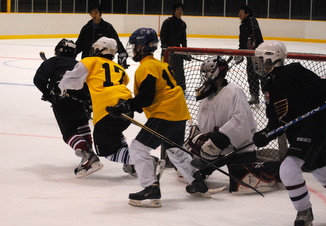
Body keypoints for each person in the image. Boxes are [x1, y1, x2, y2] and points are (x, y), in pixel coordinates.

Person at [252, 41, 326, 226]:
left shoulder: (293, 72)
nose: (257, 64)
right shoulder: (269, 84)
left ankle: (304, 212)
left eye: (260, 59)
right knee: (320, 168)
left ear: (272, 58)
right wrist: (266, 134)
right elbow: (277, 120)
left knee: (288, 168)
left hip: (315, 126)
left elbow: (320, 86)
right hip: (298, 132)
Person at [106, 28, 211, 208]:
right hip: (178, 113)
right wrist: (128, 105)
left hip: (165, 113)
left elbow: (147, 97)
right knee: (175, 150)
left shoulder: (147, 67)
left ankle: (150, 188)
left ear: (142, 46)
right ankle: (197, 181)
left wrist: (126, 106)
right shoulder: (160, 64)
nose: (133, 50)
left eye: (135, 46)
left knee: (138, 148)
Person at [186, 56, 281, 192]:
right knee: (190, 169)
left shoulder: (234, 91)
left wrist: (219, 138)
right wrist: (201, 139)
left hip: (239, 149)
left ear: (216, 72)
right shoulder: (207, 96)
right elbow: (204, 123)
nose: (204, 76)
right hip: (215, 150)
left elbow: (241, 122)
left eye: (206, 72)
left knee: (242, 182)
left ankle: (276, 170)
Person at [58, 37, 135, 177]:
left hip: (108, 112)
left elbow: (71, 81)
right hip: (128, 107)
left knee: (106, 151)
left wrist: (61, 88)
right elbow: (122, 82)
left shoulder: (90, 61)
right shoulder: (119, 68)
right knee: (115, 134)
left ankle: (142, 161)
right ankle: (132, 163)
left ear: (100, 50)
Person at [33, 39, 101, 178]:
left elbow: (38, 80)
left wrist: (48, 94)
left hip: (63, 99)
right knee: (82, 123)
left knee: (68, 132)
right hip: (82, 99)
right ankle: (88, 149)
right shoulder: (79, 64)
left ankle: (87, 154)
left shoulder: (52, 62)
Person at [75, 4, 128, 69]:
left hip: (102, 62)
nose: (94, 15)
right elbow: (79, 44)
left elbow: (116, 42)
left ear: (100, 13)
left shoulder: (107, 27)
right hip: (87, 61)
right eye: (92, 13)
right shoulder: (86, 28)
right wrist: (71, 54)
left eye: (96, 13)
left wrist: (122, 53)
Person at [235, 5, 265, 105]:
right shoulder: (242, 25)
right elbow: (242, 40)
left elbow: (254, 34)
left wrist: (252, 43)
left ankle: (267, 94)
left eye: (241, 12)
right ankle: (254, 96)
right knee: (251, 75)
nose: (239, 14)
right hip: (249, 54)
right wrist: (240, 52)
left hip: (257, 53)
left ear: (247, 14)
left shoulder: (251, 20)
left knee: (262, 75)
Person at [160, 2, 187, 91]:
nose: (180, 12)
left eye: (181, 10)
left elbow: (183, 39)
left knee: (179, 70)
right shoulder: (168, 22)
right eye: (178, 10)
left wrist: (185, 51)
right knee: (166, 69)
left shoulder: (183, 24)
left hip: (178, 50)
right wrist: (164, 46)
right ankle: (166, 87)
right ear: (174, 11)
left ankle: (181, 87)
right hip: (167, 50)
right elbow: (163, 35)